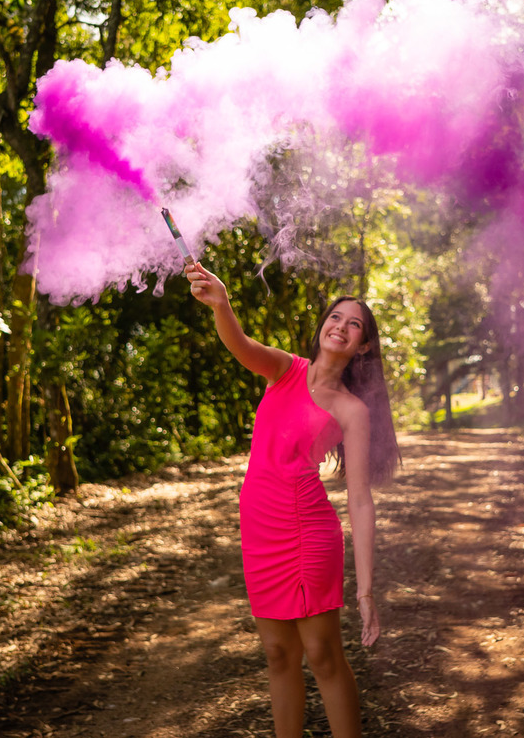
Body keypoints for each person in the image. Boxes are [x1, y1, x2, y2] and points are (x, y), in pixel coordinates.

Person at [185, 260, 400, 738]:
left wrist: (365, 591)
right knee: (278, 655)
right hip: (260, 530)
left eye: (354, 324)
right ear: (323, 325)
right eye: (335, 317)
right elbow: (237, 342)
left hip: (307, 532)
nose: (341, 327)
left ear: (363, 345)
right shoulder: (283, 369)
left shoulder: (352, 409)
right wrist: (220, 301)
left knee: (323, 656)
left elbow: (361, 501)